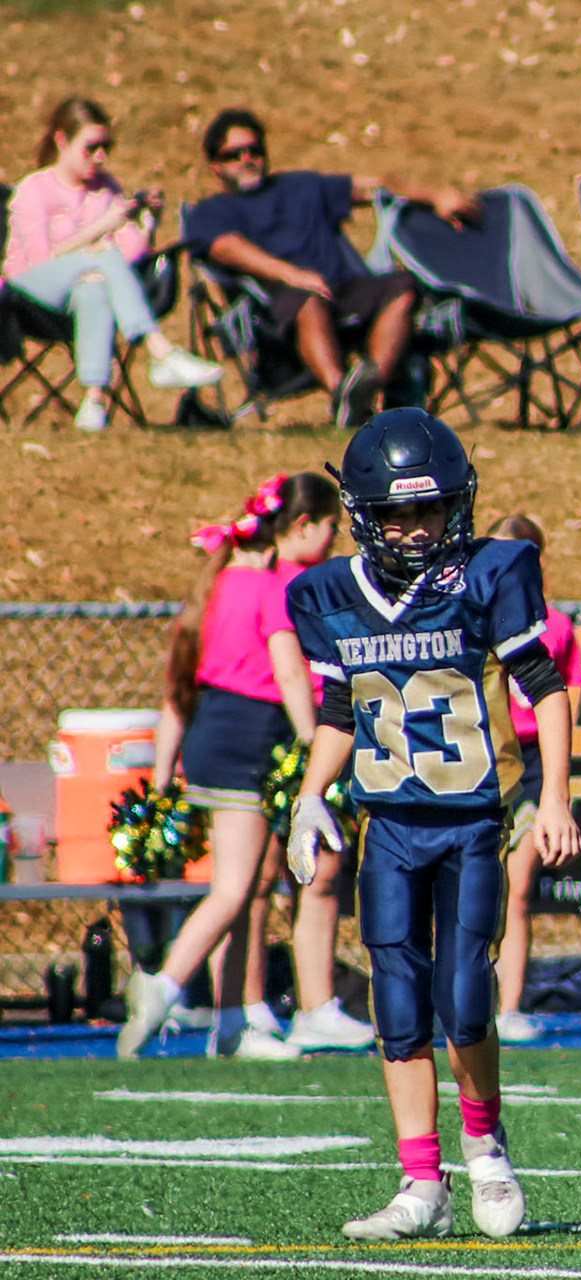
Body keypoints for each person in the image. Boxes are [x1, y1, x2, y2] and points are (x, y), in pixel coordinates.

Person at [283, 408, 581, 1240]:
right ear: (363, 515)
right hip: (388, 824)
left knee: (465, 999)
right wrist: (310, 795)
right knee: (398, 1004)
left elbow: (545, 686)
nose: (418, 527)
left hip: (471, 821)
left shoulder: (492, 572)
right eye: (400, 512)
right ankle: (422, 1182)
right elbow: (339, 709)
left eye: (433, 508)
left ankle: (485, 1150)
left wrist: (556, 796)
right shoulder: (329, 594)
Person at [120, 476, 334, 1061]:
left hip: (208, 737)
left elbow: (175, 694)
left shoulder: (209, 591)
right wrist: (313, 742)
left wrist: (163, 773)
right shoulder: (269, 589)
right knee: (235, 890)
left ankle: (234, 1023)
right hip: (248, 740)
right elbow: (290, 673)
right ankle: (163, 987)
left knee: (242, 888)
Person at [188, 108, 480, 430]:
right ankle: (341, 392)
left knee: (404, 286)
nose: (247, 160)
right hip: (275, 304)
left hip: (341, 288)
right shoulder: (212, 211)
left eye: (254, 151)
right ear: (216, 165)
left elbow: (374, 187)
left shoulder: (301, 186)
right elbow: (226, 248)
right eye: (233, 155)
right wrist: (291, 274)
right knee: (307, 298)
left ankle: (367, 385)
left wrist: (436, 196)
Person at [232, 473, 377, 1052]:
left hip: (280, 738)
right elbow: (293, 671)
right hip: (296, 741)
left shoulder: (263, 579)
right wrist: (310, 743)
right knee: (299, 875)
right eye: (331, 527)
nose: (336, 539)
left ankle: (275, 1006)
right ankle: (290, 1005)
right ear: (303, 525)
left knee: (284, 878)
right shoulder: (294, 586)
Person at [4, 97, 223, 431]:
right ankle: (159, 350)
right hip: (28, 294)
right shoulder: (34, 190)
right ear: (62, 141)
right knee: (102, 257)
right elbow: (40, 261)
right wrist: (101, 229)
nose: (100, 157)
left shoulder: (105, 189)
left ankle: (93, 403)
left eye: (106, 147)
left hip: (84, 290)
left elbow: (127, 259)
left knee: (95, 286)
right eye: (91, 147)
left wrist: (146, 223)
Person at [487, 514, 581, 1046]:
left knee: (518, 885)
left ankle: (509, 1007)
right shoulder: (472, 614)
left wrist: (558, 783)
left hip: (532, 761)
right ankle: (466, 1001)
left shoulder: (558, 626)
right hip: (485, 757)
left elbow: (563, 699)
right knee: (472, 885)